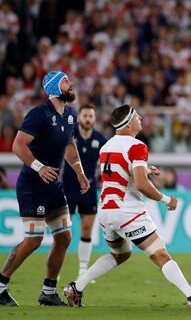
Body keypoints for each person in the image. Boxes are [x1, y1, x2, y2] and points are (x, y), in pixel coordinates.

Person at [63, 105, 191, 308]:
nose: (141, 118)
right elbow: (142, 185)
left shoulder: (106, 146)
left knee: (121, 254)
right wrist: (166, 199)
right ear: (128, 123)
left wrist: (143, 169)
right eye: (136, 116)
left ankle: (76, 287)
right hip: (127, 211)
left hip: (106, 210)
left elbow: (119, 172)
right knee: (160, 254)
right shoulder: (138, 146)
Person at [0, 70, 90, 307]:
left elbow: (69, 145)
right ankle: (0, 286)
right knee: (34, 239)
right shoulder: (38, 114)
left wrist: (79, 172)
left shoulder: (70, 115)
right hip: (32, 185)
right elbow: (18, 145)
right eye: (65, 81)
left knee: (64, 237)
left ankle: (48, 292)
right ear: (52, 88)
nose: (71, 83)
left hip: (53, 185)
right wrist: (39, 167)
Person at [63, 103, 107, 280]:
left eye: (91, 116)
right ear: (79, 118)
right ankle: (57, 270)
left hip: (88, 189)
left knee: (87, 228)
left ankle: (83, 269)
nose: (88, 119)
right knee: (63, 232)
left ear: (95, 119)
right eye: (85, 116)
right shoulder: (69, 137)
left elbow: (107, 161)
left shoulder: (100, 139)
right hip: (68, 188)